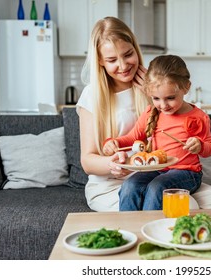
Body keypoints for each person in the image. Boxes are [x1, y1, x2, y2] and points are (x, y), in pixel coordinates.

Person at [103, 55, 211, 211]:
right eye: (156, 98)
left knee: (157, 187)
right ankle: (127, 230)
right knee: (130, 185)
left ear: (186, 87)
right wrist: (114, 142)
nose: (163, 105)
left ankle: (150, 230)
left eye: (170, 98)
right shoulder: (151, 113)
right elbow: (133, 137)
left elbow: (210, 147)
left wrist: (200, 146)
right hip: (156, 167)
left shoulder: (197, 117)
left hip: (187, 173)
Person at [76, 16, 151, 211]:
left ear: (135, 48)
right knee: (172, 208)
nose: (124, 66)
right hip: (109, 186)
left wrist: (153, 95)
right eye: (112, 60)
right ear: (100, 61)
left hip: (153, 178)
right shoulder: (91, 95)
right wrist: (113, 164)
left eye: (128, 54)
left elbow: (180, 129)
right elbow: (87, 160)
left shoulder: (153, 86)